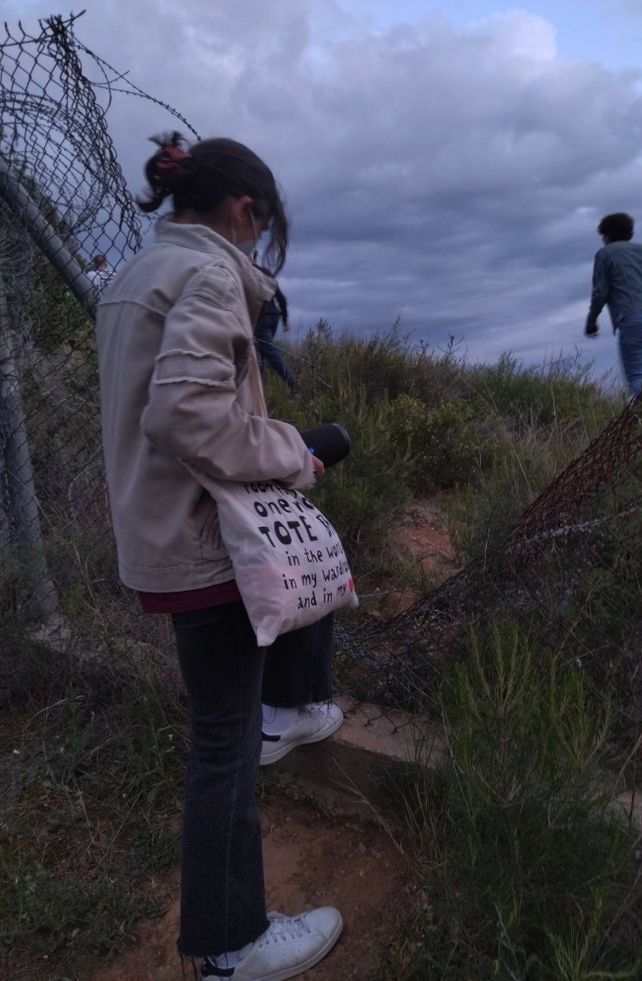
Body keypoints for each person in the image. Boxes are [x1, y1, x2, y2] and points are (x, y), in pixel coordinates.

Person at [95, 132, 343, 979]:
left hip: (159, 530)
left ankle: (295, 708)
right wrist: (286, 453)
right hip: (205, 546)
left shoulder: (136, 275)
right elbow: (188, 418)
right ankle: (231, 943)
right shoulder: (208, 275)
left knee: (222, 730)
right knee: (223, 749)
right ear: (244, 211)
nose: (258, 244)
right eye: (261, 227)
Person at [584, 212, 642, 396]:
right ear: (630, 233)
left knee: (635, 378)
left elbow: (600, 292)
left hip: (633, 318)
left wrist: (591, 321)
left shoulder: (604, 254)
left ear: (606, 235)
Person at [253, 265, 296, 392]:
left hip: (261, 318)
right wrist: (285, 320)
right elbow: (281, 299)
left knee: (268, 352)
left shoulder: (247, 271)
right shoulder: (266, 273)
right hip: (274, 318)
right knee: (260, 353)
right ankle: (259, 390)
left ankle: (292, 382)